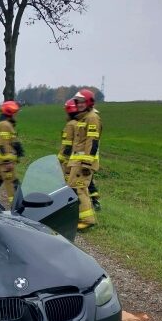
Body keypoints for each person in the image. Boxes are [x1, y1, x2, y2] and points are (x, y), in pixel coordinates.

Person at [67, 89, 101, 230]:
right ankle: (80, 217)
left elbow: (92, 141)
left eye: (82, 102)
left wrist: (87, 163)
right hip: (77, 162)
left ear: (88, 102)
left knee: (80, 189)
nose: (79, 104)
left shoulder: (92, 118)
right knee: (75, 189)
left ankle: (87, 220)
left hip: (84, 163)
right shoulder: (83, 118)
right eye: (78, 102)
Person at [58, 99, 78, 180]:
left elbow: (67, 144)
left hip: (69, 160)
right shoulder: (80, 123)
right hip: (78, 159)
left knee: (67, 180)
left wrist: (60, 159)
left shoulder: (70, 125)